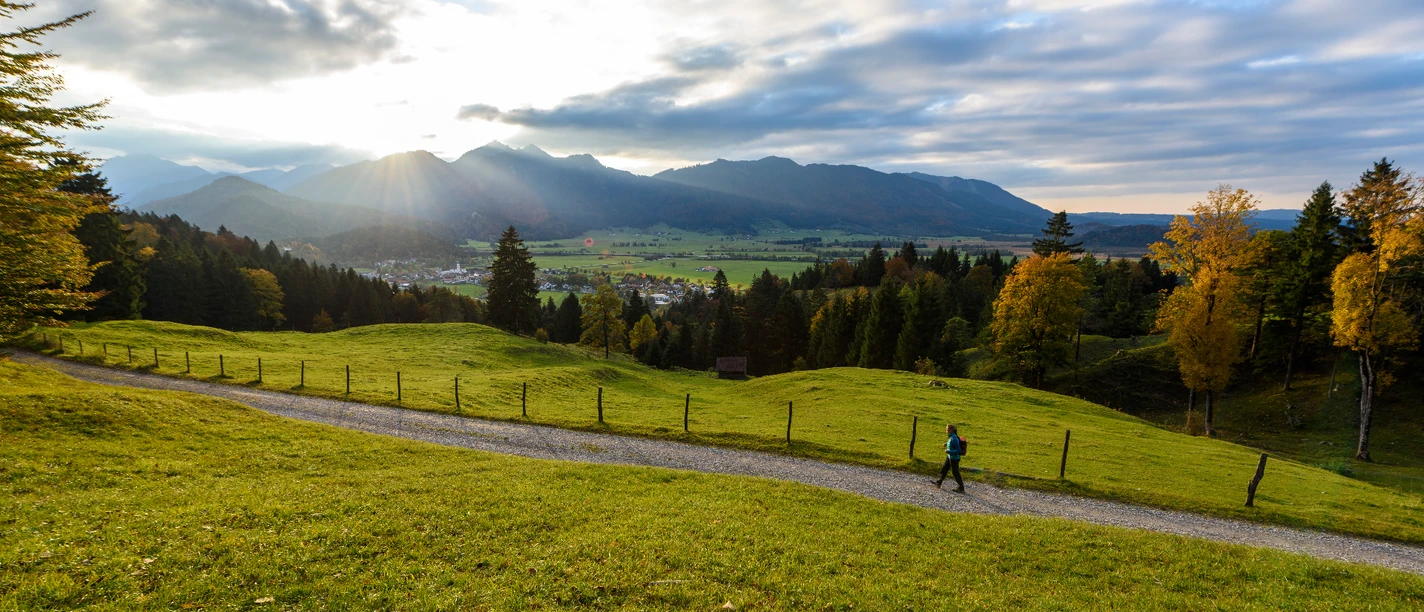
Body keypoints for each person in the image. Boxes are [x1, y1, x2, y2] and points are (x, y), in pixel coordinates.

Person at [934, 424, 965, 493]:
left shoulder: (954, 438)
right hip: (949, 457)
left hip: (954, 458)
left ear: (951, 430)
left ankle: (961, 487)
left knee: (955, 472)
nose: (946, 430)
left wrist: (949, 451)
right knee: (944, 469)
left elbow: (958, 450)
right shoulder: (952, 437)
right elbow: (951, 443)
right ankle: (939, 482)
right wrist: (946, 444)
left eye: (947, 429)